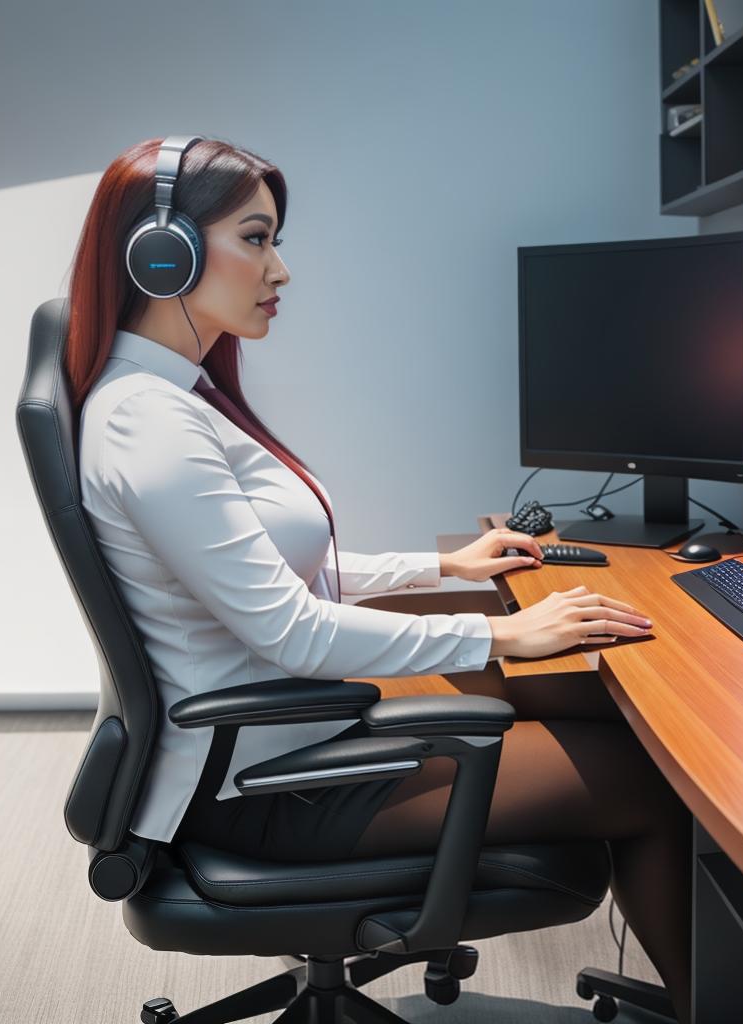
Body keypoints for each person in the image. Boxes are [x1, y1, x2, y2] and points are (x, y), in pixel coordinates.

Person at [65, 136, 692, 1024]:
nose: (280, 270)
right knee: (651, 779)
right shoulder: (146, 423)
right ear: (161, 254)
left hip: (288, 730)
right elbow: (290, 628)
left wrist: (444, 567)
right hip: (262, 789)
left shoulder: (169, 397)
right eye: (256, 238)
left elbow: (280, 569)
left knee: (593, 693)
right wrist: (496, 632)